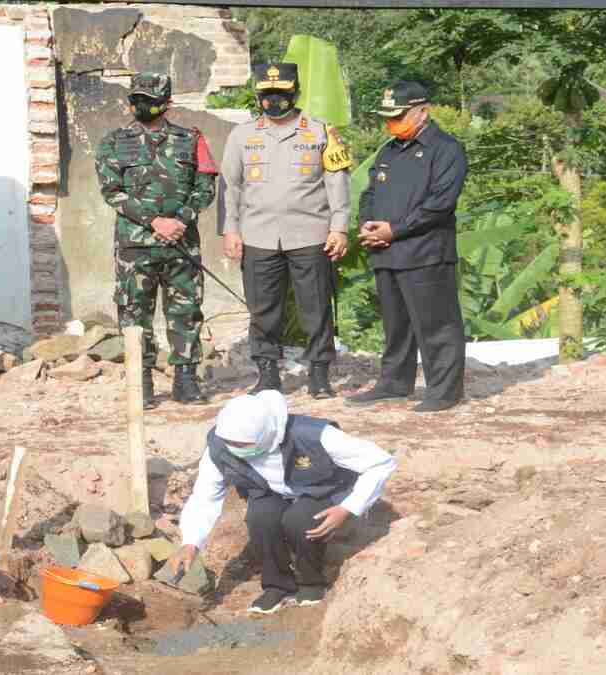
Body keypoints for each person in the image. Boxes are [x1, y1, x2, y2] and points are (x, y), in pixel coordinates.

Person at [171, 390, 397, 614]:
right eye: (231, 443)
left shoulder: (313, 435)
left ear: (269, 433)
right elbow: (205, 495)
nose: (236, 450)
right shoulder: (220, 445)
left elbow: (380, 462)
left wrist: (349, 507)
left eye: (243, 444)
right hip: (269, 491)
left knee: (300, 520)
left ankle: (312, 581)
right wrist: (191, 541)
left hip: (322, 489)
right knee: (260, 519)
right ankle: (277, 585)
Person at [220, 62, 353, 398]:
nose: (273, 100)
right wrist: (230, 230)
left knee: (316, 306)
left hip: (310, 234)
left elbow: (337, 183)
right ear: (259, 96)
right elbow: (230, 187)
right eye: (267, 94)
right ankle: (267, 373)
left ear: (295, 93)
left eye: (280, 94)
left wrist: (340, 227)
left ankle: (319, 374)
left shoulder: (322, 132)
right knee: (262, 309)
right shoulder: (242, 135)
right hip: (258, 235)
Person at [94, 72, 218, 406]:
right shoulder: (113, 141)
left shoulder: (192, 139)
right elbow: (111, 191)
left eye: (149, 101)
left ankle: (186, 380)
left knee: (186, 311)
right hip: (135, 246)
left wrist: (179, 220)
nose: (141, 105)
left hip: (181, 243)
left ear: (167, 103)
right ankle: (142, 381)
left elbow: (205, 187)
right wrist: (153, 221)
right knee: (135, 314)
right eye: (136, 99)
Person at [346, 82, 468, 414]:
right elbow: (369, 193)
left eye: (398, 116)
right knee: (395, 324)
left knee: (436, 324)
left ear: (423, 111)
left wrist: (395, 230)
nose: (392, 123)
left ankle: (444, 391)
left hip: (425, 252)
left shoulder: (446, 149)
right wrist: (368, 223)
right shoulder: (389, 149)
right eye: (389, 118)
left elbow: (439, 204)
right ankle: (394, 382)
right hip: (387, 252)